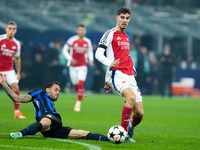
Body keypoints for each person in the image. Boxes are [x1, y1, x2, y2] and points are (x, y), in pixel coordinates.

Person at [0, 73, 109, 141]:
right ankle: (19, 134)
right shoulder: (39, 94)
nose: (58, 92)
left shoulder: (51, 102)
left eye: (59, 91)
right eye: (56, 90)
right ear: (47, 89)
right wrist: (4, 84)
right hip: (47, 121)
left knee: (83, 134)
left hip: (56, 125)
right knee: (46, 121)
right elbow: (16, 98)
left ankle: (110, 139)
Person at [95, 7, 144, 143]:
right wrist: (109, 66)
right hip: (117, 75)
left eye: (127, 18)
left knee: (139, 113)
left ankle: (131, 126)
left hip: (130, 76)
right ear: (117, 18)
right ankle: (124, 135)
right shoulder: (110, 34)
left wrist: (106, 78)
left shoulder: (126, 37)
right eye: (122, 17)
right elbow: (98, 53)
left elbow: (123, 57)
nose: (125, 20)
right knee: (131, 98)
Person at [62, 24, 93, 112]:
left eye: (83, 30)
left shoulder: (88, 41)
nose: (81, 31)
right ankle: (81, 93)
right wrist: (70, 59)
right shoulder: (72, 40)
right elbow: (64, 50)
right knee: (75, 84)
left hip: (83, 66)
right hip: (72, 66)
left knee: (80, 83)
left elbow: (90, 51)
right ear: (77, 31)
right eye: (80, 30)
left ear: (85, 32)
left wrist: (91, 59)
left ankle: (78, 104)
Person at [0, 21, 26, 119]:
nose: (11, 30)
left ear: (16, 31)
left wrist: (18, 72)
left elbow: (17, 58)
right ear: (6, 29)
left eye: (13, 29)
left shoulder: (16, 43)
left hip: (9, 69)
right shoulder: (0, 39)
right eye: (9, 28)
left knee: (16, 88)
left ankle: (17, 112)